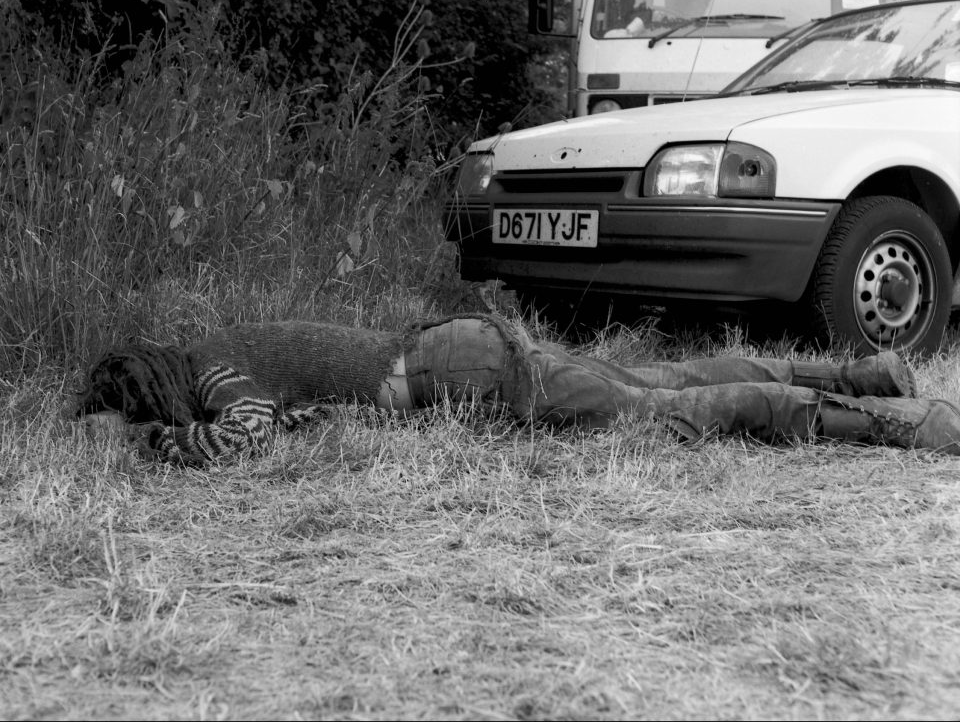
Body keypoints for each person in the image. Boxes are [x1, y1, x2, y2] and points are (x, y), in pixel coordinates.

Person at [76, 314, 960, 466]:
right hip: (461, 352)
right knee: (671, 377)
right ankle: (867, 372)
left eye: (140, 407)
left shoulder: (218, 374)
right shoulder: (223, 345)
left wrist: (156, 444)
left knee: (680, 412)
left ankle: (910, 424)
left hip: (462, 371)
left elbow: (247, 435)